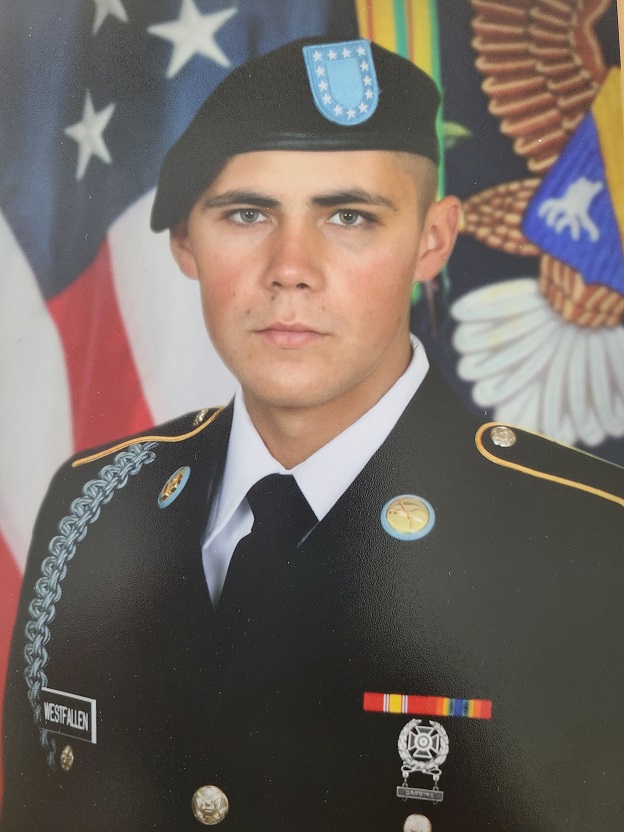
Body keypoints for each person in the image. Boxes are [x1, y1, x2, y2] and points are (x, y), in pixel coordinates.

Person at [2, 36, 623, 832]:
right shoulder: (92, 507)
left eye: (350, 216)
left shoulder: (589, 543)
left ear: (432, 241)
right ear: (185, 243)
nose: (290, 267)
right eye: (247, 214)